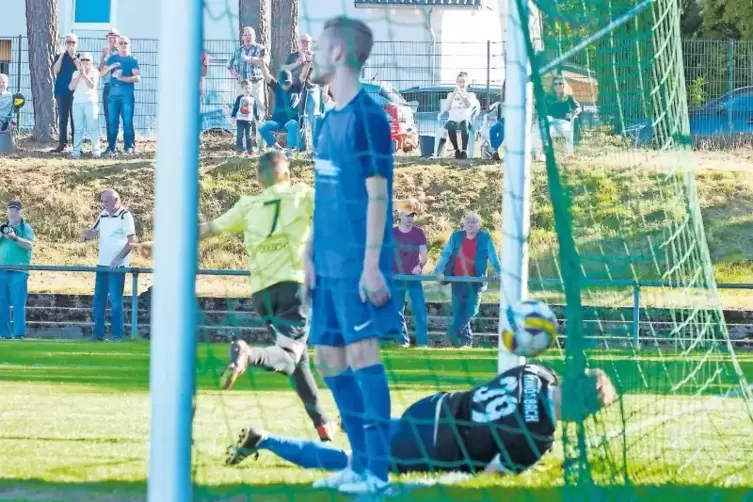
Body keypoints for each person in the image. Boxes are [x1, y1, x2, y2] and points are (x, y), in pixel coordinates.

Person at [305, 15, 400, 495]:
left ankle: (376, 474)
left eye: (320, 44)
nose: (313, 53)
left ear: (338, 53)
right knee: (328, 358)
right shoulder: (327, 119)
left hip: (360, 264)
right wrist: (308, 254)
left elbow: (379, 193)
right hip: (326, 263)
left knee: (363, 355)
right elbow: (325, 197)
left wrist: (370, 264)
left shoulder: (368, 116)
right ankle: (357, 463)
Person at [224, 364, 617, 479]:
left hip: (435, 406)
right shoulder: (540, 436)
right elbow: (492, 478)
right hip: (439, 444)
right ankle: (265, 440)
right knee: (355, 465)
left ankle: (357, 419)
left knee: (383, 435)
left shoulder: (538, 371)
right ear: (583, 412)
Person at [434, 211, 501, 348]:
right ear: (464, 224)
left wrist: (498, 271)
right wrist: (439, 271)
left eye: (473, 222)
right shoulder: (456, 236)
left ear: (479, 225)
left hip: (475, 282)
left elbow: (493, 256)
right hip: (457, 280)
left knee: (471, 310)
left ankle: (452, 333)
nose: (470, 224)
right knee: (459, 312)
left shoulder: (485, 238)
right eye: (468, 222)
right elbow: (446, 254)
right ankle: (465, 343)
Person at [80, 189, 136, 341]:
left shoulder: (125, 216)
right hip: (102, 265)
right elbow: (94, 231)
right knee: (99, 300)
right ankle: (97, 334)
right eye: (102, 201)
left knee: (116, 301)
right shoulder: (103, 214)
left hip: (117, 267)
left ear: (116, 200)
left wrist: (118, 259)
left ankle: (117, 335)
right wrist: (86, 236)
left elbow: (132, 242)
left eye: (106, 201)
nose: (103, 204)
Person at [392, 209, 428, 347]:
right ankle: (403, 341)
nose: (409, 218)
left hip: (413, 277)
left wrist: (420, 266)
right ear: (400, 216)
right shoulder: (392, 233)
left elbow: (424, 254)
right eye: (407, 216)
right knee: (396, 310)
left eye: (412, 216)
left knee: (419, 309)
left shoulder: (418, 233)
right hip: (396, 276)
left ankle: (422, 343)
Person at [0, 199, 35, 340]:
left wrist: (15, 238)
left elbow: (29, 245)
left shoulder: (26, 228)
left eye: (16, 210)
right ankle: (4, 334)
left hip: (19, 271)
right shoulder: (2, 227)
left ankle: (19, 334)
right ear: (7, 211)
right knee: (1, 303)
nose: (13, 212)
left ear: (20, 212)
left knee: (18, 303)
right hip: (2, 270)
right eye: (11, 210)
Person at [101, 36, 141, 155]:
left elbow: (137, 78)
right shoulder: (112, 58)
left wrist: (122, 78)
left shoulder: (132, 59)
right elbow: (101, 73)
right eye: (121, 43)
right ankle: (111, 147)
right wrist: (110, 67)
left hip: (126, 94)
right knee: (112, 121)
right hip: (113, 94)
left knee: (127, 120)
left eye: (126, 43)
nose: (123, 45)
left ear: (129, 45)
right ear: (117, 45)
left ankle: (129, 146)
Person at [535, 76, 582, 161]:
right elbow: (539, 108)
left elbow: (578, 107)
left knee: (556, 127)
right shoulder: (548, 97)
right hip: (550, 121)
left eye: (560, 84)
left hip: (564, 122)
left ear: (564, 85)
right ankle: (543, 153)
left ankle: (570, 154)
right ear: (553, 86)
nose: (558, 86)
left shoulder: (568, 97)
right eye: (556, 84)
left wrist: (575, 113)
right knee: (547, 125)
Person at [228, 26, 267, 119]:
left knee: (259, 109)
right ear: (242, 37)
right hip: (241, 85)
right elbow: (230, 66)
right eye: (245, 35)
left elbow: (265, 61)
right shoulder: (238, 50)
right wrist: (236, 74)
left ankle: (259, 131)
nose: (247, 37)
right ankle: (242, 132)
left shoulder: (260, 48)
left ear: (254, 36)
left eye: (250, 35)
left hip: (255, 84)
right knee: (240, 110)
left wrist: (250, 59)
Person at [257, 66, 299, 152]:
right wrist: (261, 62)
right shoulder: (277, 87)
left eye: (288, 83)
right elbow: (267, 75)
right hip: (276, 122)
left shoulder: (296, 89)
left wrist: (308, 62)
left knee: (293, 123)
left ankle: (290, 149)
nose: (287, 86)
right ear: (280, 83)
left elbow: (303, 76)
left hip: (289, 121)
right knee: (262, 127)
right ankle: (276, 146)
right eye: (284, 83)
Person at [437, 72, 476, 159]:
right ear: (456, 83)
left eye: (463, 82)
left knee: (464, 125)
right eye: (459, 82)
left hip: (465, 119)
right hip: (453, 119)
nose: (461, 84)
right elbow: (447, 108)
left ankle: (464, 151)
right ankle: (456, 150)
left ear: (467, 83)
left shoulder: (471, 95)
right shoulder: (450, 95)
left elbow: (468, 105)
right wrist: (454, 95)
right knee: (450, 126)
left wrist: (462, 95)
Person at [69, 53, 101, 159]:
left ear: (91, 62)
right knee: (78, 128)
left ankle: (96, 151)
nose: (85, 62)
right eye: (82, 60)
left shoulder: (95, 72)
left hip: (90, 102)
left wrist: (85, 75)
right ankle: (76, 151)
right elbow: (71, 87)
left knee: (93, 127)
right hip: (77, 103)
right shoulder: (75, 73)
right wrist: (79, 74)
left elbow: (91, 86)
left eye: (87, 60)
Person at [52, 33, 79, 153]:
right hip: (61, 91)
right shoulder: (59, 56)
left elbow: (81, 71)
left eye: (73, 42)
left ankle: (76, 145)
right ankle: (62, 143)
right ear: (65, 43)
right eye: (69, 42)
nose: (71, 45)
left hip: (75, 92)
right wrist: (63, 55)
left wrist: (73, 57)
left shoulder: (79, 57)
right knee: (63, 119)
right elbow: (55, 70)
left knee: (75, 119)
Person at [99, 29, 120, 147]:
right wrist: (102, 57)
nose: (111, 40)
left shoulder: (121, 52)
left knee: (119, 116)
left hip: (118, 87)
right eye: (109, 37)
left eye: (114, 37)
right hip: (107, 87)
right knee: (108, 115)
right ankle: (110, 143)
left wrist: (110, 55)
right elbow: (100, 71)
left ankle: (124, 143)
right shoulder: (104, 53)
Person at [230, 80, 258, 154]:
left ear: (251, 89)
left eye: (249, 88)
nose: (247, 90)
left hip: (249, 120)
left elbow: (255, 109)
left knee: (248, 136)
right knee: (240, 135)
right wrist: (233, 116)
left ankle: (250, 149)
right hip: (240, 120)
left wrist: (257, 117)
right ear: (242, 89)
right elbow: (236, 107)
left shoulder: (253, 98)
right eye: (245, 88)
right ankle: (239, 149)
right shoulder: (239, 98)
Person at [487, 84, 505, 161]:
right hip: (501, 121)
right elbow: (489, 109)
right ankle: (494, 151)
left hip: (511, 122)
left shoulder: (515, 98)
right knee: (492, 130)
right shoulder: (500, 98)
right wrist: (496, 105)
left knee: (502, 131)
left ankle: (493, 150)